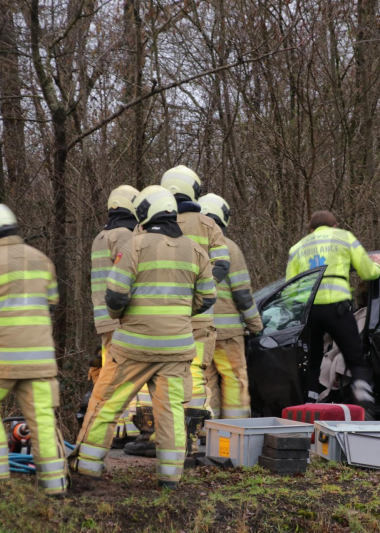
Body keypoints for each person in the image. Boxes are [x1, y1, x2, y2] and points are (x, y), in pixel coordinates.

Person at [70, 186, 215, 490]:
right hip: (176, 349)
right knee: (171, 412)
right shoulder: (197, 250)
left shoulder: (134, 246)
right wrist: (178, 314)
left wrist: (122, 316)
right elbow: (208, 299)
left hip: (133, 348)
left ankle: (86, 468)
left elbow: (115, 295)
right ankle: (170, 478)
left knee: (105, 403)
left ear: (146, 212)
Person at [0, 203, 68, 497]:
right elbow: (52, 303)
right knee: (44, 419)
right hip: (41, 362)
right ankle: (56, 488)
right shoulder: (42, 260)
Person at [126, 165, 230, 456]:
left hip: (151, 321)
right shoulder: (209, 225)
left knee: (152, 375)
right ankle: (188, 440)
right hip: (197, 317)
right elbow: (222, 264)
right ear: (193, 190)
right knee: (194, 375)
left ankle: (151, 437)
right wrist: (196, 293)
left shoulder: (143, 224)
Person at [286, 211, 380, 410]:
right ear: (335, 226)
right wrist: (377, 265)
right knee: (355, 358)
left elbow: (291, 288)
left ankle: (310, 403)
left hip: (310, 311)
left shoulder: (297, 247)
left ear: (311, 230)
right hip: (337, 308)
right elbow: (368, 272)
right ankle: (363, 400)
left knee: (313, 361)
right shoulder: (344, 238)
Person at [199, 194, 263, 418]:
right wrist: (256, 326)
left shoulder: (189, 245)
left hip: (198, 331)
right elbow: (242, 294)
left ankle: (206, 430)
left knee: (205, 381)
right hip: (227, 334)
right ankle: (235, 431)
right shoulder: (229, 248)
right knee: (235, 379)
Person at [89, 185, 140, 446]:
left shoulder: (101, 236)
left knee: (111, 371)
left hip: (104, 319)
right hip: (121, 318)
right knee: (123, 374)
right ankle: (124, 428)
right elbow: (128, 278)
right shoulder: (123, 236)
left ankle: (117, 427)